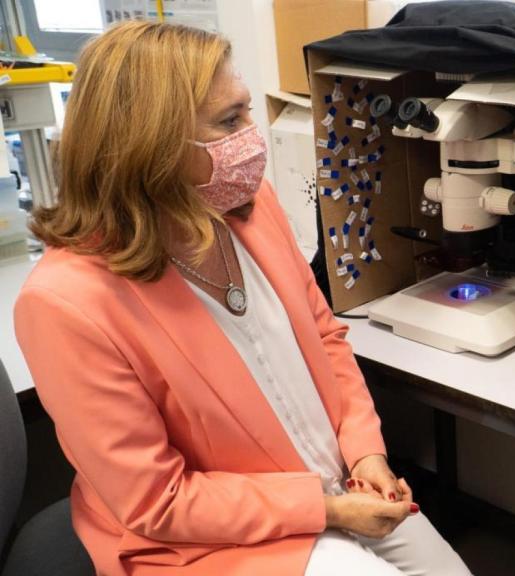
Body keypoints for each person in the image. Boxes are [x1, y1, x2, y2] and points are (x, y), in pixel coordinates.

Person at [14, 21, 470, 576]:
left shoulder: (248, 210)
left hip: (335, 485)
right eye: (231, 121)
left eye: (246, 111)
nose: (253, 135)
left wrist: (366, 452)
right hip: (210, 540)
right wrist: (325, 511)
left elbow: (325, 338)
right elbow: (158, 501)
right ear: (148, 147)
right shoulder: (65, 305)